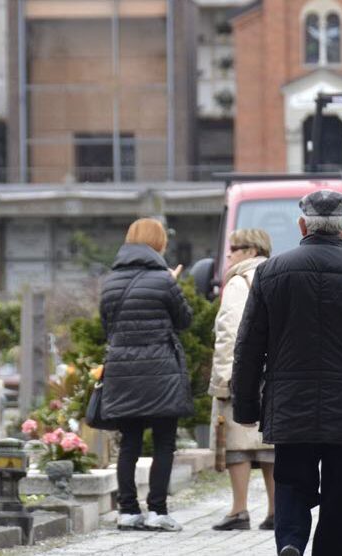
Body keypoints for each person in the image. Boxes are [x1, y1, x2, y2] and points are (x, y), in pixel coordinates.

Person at [231, 190, 342, 556]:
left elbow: (248, 346)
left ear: (302, 224)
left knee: (291, 481)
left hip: (291, 403)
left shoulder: (270, 273)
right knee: (341, 494)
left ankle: (291, 541)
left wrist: (245, 406)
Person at [99, 218, 193, 532]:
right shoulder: (163, 279)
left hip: (122, 371)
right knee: (164, 442)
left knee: (130, 443)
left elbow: (106, 328)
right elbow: (184, 321)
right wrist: (173, 282)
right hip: (160, 371)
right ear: (158, 243)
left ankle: (127, 511)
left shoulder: (110, 281)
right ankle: (157, 511)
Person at [208, 229, 276, 531]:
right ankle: (276, 510)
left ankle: (239, 510)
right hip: (275, 372)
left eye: (234, 248)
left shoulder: (239, 282)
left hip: (243, 374)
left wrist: (223, 378)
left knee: (238, 445)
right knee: (271, 445)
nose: (229, 254)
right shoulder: (279, 276)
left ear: (250, 251)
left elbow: (229, 333)